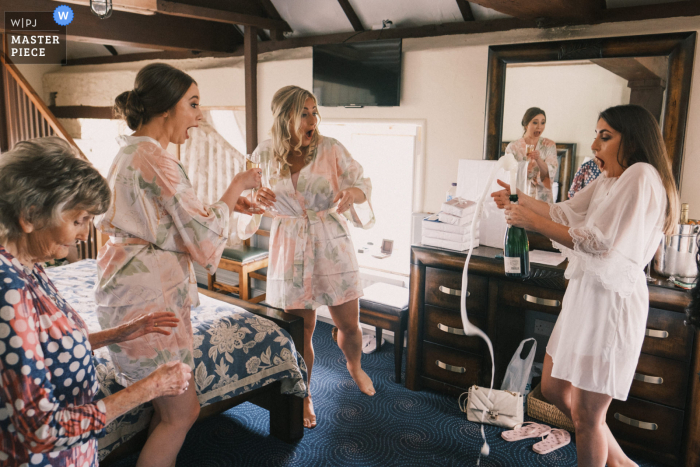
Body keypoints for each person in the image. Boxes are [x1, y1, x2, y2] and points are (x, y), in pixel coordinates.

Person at [95, 63, 264, 466]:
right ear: (166, 108)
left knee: (168, 406)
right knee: (182, 411)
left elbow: (169, 215)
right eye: (193, 104)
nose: (199, 115)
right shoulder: (155, 158)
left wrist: (221, 204)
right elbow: (204, 237)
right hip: (147, 299)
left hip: (129, 287)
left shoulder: (132, 150)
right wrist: (235, 187)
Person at [492, 104, 679, 466]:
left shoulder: (641, 175)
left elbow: (598, 241)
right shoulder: (612, 177)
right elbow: (567, 211)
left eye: (604, 136)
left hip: (611, 302)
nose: (594, 145)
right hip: (585, 295)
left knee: (587, 417)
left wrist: (529, 221)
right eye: (596, 135)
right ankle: (623, 463)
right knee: (552, 388)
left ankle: (618, 463)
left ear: (634, 139)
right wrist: (517, 200)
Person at [0, 137, 192, 467]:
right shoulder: (8, 291)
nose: (85, 235)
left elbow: (48, 349)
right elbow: (41, 430)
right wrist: (151, 387)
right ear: (30, 215)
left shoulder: (30, 266)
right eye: (78, 220)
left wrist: (120, 333)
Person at [252, 85, 376, 429]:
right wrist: (257, 197)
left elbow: (362, 183)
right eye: (303, 112)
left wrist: (353, 192)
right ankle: (305, 395)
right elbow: (248, 198)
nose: (312, 119)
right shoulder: (263, 154)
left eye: (314, 111)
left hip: (330, 239)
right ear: (284, 117)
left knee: (348, 324)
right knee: (301, 331)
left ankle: (354, 365)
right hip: (289, 245)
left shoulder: (332, 148)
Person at [504, 107, 559, 202]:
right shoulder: (513, 147)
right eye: (535, 122)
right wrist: (526, 168)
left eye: (543, 122)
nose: (539, 127)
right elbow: (507, 174)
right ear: (526, 125)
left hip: (542, 198)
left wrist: (538, 160)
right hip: (520, 197)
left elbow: (551, 171)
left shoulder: (548, 145)